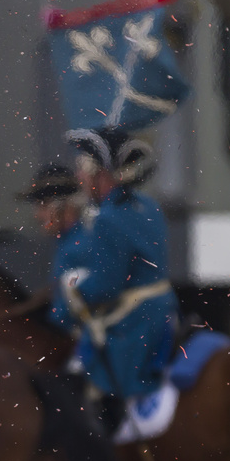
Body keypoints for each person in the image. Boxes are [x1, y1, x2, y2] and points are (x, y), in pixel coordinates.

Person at [60, 127, 178, 411]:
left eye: (82, 170)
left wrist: (73, 289)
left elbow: (106, 286)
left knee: (84, 389)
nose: (78, 178)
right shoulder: (148, 205)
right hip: (164, 311)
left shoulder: (108, 219)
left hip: (134, 323)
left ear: (99, 173)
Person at [18, 163, 91, 335]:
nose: (37, 215)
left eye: (43, 205)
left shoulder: (77, 248)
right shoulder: (70, 242)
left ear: (65, 206)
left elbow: (64, 317)